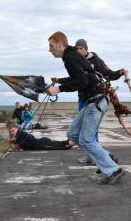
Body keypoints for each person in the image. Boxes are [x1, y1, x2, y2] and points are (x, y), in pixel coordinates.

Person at [46, 31, 125, 184]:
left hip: (96, 100)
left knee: (86, 140)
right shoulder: (72, 55)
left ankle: (113, 170)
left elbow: (81, 81)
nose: (49, 50)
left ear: (60, 43)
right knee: (73, 134)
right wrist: (60, 82)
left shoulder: (69, 57)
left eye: (51, 45)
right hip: (94, 100)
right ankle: (107, 159)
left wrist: (59, 89)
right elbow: (80, 77)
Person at [7, 120, 74, 150]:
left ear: (16, 128)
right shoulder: (19, 135)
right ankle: (72, 143)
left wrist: (15, 144)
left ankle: (74, 142)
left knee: (60, 146)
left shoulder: (20, 134)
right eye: (11, 132)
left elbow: (21, 144)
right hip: (41, 143)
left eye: (13, 131)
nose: (12, 132)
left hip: (42, 144)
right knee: (59, 145)